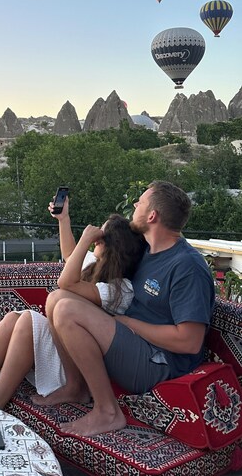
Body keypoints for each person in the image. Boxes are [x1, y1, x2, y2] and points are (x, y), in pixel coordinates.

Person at [44, 180, 215, 438]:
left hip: (159, 363)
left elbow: (189, 342)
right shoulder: (146, 251)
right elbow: (76, 260)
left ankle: (108, 411)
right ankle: (76, 386)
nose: (135, 205)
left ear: (152, 215)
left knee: (68, 310)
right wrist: (64, 220)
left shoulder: (187, 267)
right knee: (57, 298)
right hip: (133, 345)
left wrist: (130, 324)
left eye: (141, 202)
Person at [0, 197, 146, 410]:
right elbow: (70, 255)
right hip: (65, 353)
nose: (94, 242)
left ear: (110, 245)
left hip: (83, 364)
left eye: (99, 239)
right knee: (12, 319)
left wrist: (85, 239)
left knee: (28, 320)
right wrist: (63, 219)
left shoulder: (120, 289)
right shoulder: (97, 265)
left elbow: (65, 283)